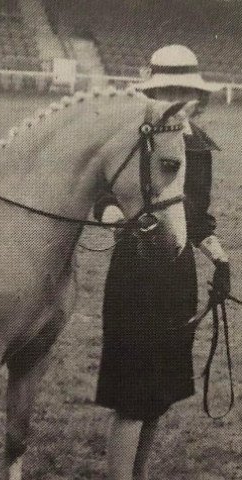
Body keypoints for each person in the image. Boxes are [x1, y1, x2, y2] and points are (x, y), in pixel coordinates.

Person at [93, 45, 231, 480]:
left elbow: (196, 215)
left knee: (159, 394)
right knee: (132, 397)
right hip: (135, 273)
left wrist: (217, 254)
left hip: (178, 277)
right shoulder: (133, 137)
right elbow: (100, 193)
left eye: (184, 90)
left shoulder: (200, 146)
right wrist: (113, 215)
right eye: (168, 89)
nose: (178, 98)